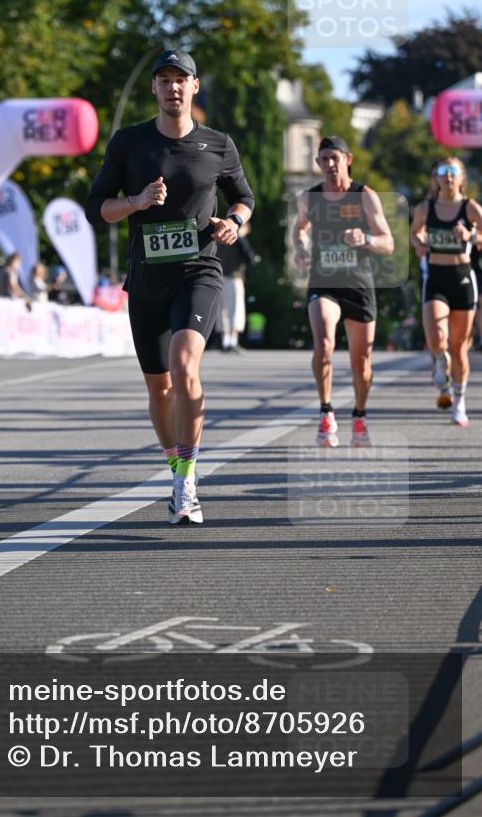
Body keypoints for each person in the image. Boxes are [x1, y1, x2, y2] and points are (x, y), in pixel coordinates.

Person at [85, 49, 254, 524]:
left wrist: (234, 222)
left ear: (194, 87)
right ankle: (175, 467)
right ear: (155, 89)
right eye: (164, 80)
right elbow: (96, 207)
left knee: (185, 365)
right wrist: (136, 202)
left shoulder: (218, 144)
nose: (173, 87)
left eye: (181, 79)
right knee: (159, 388)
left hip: (199, 269)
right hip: (147, 279)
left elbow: (244, 196)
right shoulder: (128, 142)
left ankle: (187, 482)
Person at [293, 136, 395, 447]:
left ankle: (360, 415)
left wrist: (364, 238)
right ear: (318, 163)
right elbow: (300, 228)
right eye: (324, 159)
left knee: (361, 361)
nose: (329, 164)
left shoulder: (364, 195)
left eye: (335, 158)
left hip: (359, 285)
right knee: (323, 341)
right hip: (324, 282)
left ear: (347, 159)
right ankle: (326, 412)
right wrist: (300, 248)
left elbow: (387, 242)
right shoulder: (310, 198)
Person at [410, 156, 481, 426]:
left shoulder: (471, 208)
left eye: (453, 171)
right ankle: (440, 363)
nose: (448, 176)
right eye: (443, 171)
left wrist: (471, 237)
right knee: (437, 341)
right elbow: (414, 234)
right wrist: (418, 241)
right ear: (435, 178)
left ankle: (459, 403)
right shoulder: (425, 209)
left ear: (462, 177)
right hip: (437, 277)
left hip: (462, 278)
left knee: (459, 346)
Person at [216, 221, 260, 352]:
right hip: (234, 278)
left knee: (221, 311)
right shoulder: (240, 239)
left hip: (218, 278)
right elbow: (252, 259)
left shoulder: (220, 239)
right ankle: (232, 341)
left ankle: (224, 342)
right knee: (235, 310)